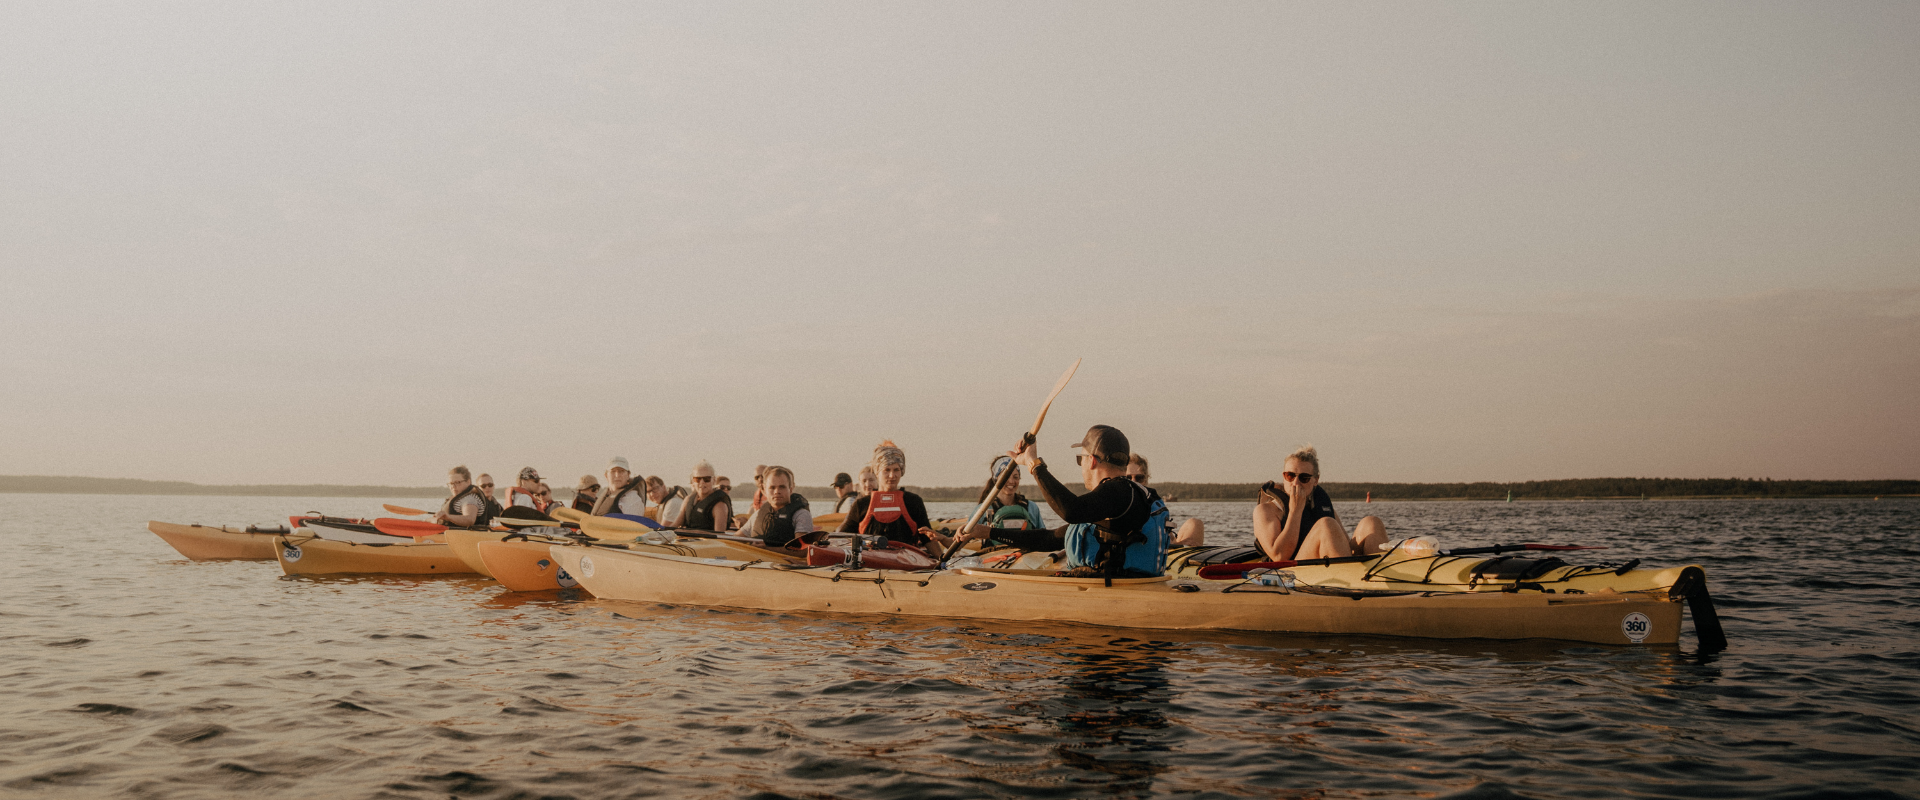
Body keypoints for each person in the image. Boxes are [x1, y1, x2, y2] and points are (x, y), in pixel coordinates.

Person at [968, 425, 1169, 580]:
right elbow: (1049, 539)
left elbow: (1071, 511)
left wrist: (1033, 464)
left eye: (1080, 460)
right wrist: (988, 533)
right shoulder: (1119, 500)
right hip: (1125, 583)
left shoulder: (1120, 491)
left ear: (1091, 461)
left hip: (1120, 589)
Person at [1252, 445, 1387, 561]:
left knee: (1371, 522)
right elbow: (1279, 556)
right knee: (1326, 525)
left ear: (1315, 480)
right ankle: (1350, 578)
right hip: (1291, 573)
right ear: (1284, 476)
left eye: (1304, 478)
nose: (1296, 482)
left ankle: (1384, 578)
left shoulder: (1322, 506)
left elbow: (1345, 546)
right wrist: (1295, 511)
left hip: (1329, 565)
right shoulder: (1265, 511)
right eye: (1290, 476)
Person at [836, 440, 947, 550]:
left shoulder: (913, 501)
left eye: (896, 470)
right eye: (886, 470)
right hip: (870, 561)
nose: (892, 475)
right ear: (877, 472)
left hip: (907, 562)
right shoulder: (861, 504)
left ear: (901, 471)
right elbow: (841, 537)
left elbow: (927, 540)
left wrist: (942, 562)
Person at [1127, 454, 1204, 547]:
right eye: (1128, 478)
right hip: (1144, 548)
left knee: (1195, 523)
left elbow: (1166, 534)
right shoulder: (1118, 505)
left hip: (1165, 545)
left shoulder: (1155, 504)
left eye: (1139, 478)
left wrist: (1177, 543)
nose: (1134, 482)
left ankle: (1185, 554)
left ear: (1146, 479)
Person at [743, 466, 819, 549]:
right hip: (755, 559)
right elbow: (737, 538)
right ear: (764, 489)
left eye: (782, 487)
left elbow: (802, 550)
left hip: (782, 560)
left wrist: (768, 549)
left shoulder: (801, 514)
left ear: (790, 489)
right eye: (772, 488)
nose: (777, 492)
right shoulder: (758, 514)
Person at [975, 456, 1047, 531]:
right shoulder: (982, 510)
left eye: (1015, 477)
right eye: (1006, 477)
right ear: (996, 479)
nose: (1011, 481)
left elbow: (1044, 536)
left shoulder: (1032, 508)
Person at [671, 461, 733, 532]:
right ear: (693, 481)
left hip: (709, 542)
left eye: (707, 479)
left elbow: (720, 535)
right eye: (697, 479)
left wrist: (690, 532)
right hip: (687, 541)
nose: (702, 482)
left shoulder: (720, 506)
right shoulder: (688, 500)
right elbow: (675, 525)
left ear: (714, 480)